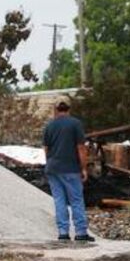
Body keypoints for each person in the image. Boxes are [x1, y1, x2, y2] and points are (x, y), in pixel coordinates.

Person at [42, 98, 95, 242]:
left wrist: (50, 164)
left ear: (56, 109)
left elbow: (46, 149)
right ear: (69, 109)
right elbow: (81, 148)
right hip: (71, 168)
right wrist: (83, 168)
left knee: (59, 200)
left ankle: (63, 232)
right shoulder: (75, 124)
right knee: (76, 200)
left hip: (53, 168)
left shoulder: (49, 126)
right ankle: (80, 232)